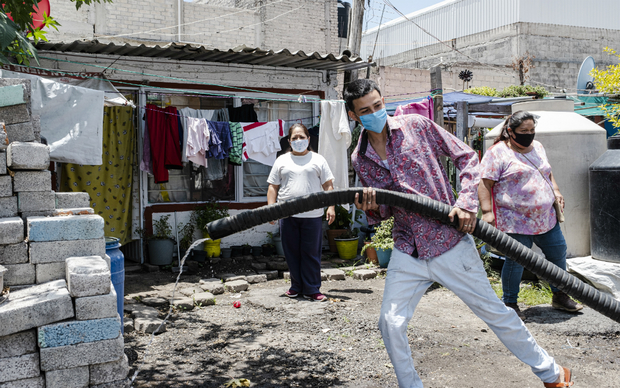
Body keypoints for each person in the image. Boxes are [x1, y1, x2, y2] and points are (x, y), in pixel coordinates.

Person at [345, 79, 573, 388]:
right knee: (390, 322)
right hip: (407, 249)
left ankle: (553, 373)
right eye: (365, 110)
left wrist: (466, 204)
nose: (375, 113)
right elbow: (385, 211)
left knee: (495, 313)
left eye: (378, 106)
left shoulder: (417, 126)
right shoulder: (361, 158)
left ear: (383, 101)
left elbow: (466, 157)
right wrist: (370, 206)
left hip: (448, 241)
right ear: (354, 115)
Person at [478, 111, 583, 318]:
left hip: (545, 218)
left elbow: (547, 172)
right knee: (516, 259)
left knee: (557, 253)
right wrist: (487, 212)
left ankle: (560, 295)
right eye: (523, 131)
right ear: (510, 131)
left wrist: (557, 191)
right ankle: (509, 303)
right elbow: (485, 182)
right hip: (514, 220)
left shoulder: (539, 147)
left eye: (532, 130)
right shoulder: (497, 152)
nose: (529, 134)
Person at [267, 123, 336, 302]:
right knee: (291, 253)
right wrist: (271, 208)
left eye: (301, 137)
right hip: (287, 215)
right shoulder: (282, 160)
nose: (298, 140)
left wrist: (331, 206)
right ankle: (296, 286)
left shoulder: (318, 159)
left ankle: (313, 289)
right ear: (289, 141)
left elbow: (328, 185)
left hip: (312, 215)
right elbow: (273, 187)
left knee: (311, 253)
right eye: (294, 138)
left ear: (308, 139)